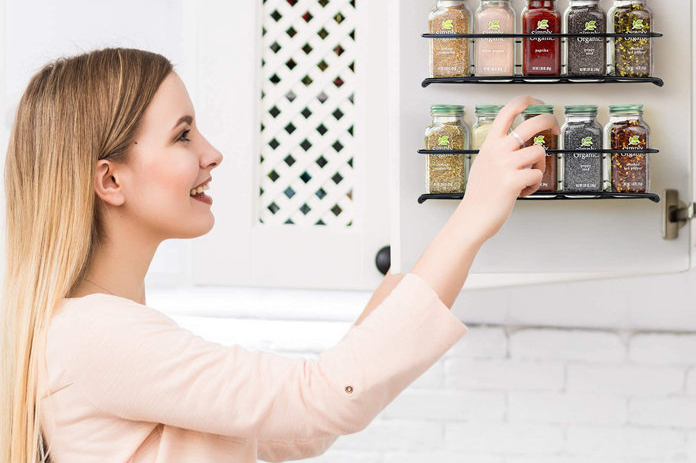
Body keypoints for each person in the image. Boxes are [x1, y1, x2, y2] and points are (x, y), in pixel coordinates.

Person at [0, 47, 557, 462]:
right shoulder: (96, 334)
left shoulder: (94, 331)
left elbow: (302, 427)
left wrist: (434, 242)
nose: (212, 153)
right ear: (111, 180)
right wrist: (471, 216)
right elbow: (323, 399)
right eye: (183, 135)